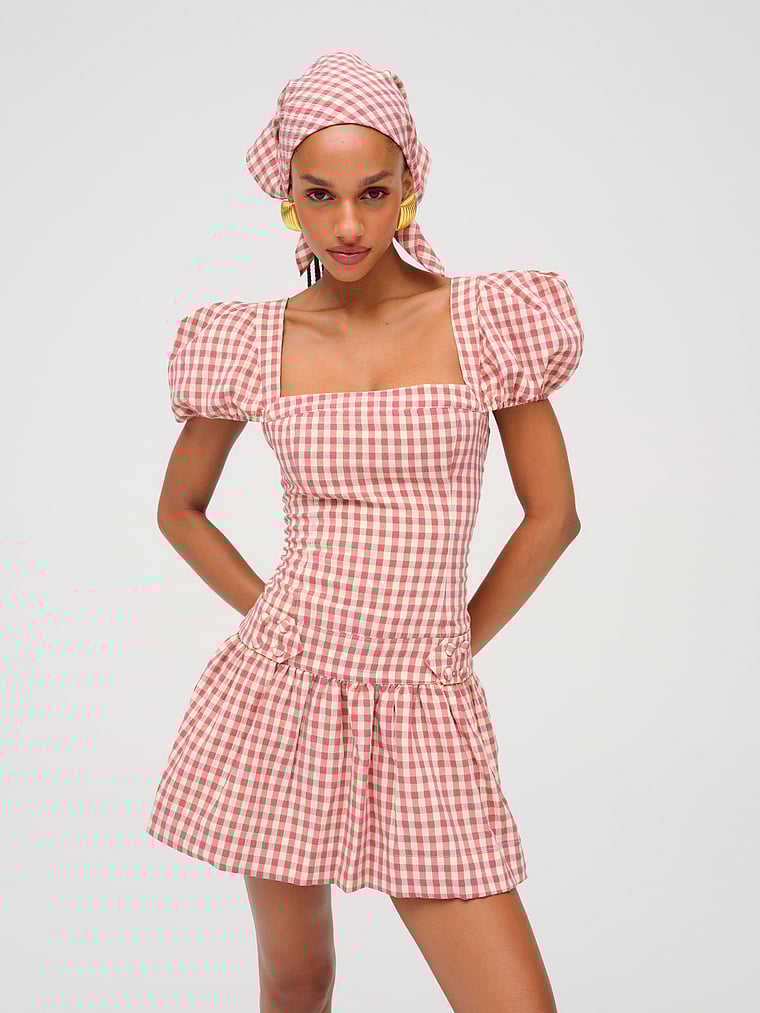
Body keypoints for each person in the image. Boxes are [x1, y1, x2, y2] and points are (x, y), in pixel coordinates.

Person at [147, 50, 584, 1013]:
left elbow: (554, 516)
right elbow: (180, 509)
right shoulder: (252, 339)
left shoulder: (485, 322)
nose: (347, 224)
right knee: (296, 979)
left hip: (423, 702)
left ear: (408, 189)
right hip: (283, 693)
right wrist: (277, 619)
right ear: (288, 200)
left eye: (372, 193)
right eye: (320, 195)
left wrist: (451, 642)